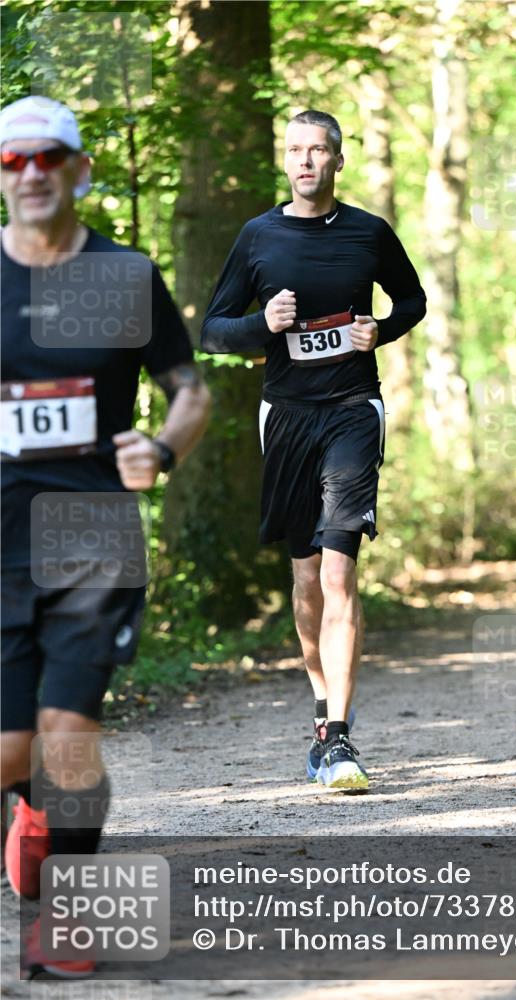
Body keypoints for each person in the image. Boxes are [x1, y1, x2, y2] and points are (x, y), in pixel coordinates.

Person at [0, 96, 211, 978]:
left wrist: (159, 448)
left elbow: (192, 389)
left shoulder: (122, 276)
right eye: (13, 162)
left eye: (48, 158)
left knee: (67, 733)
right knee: (15, 749)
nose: (32, 174)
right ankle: (35, 810)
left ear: (80, 170)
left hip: (94, 533)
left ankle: (68, 917)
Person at [201, 109, 426, 792]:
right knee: (303, 581)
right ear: (285, 159)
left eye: (317, 149)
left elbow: (411, 300)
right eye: (294, 149)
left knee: (336, 575)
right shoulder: (257, 236)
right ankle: (321, 706)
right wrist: (258, 324)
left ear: (336, 159)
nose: (305, 161)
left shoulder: (368, 232)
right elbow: (212, 328)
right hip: (289, 416)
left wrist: (378, 332)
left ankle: (337, 737)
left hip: (353, 411)